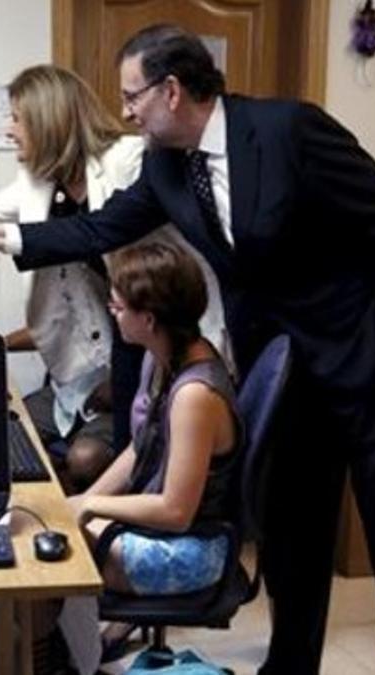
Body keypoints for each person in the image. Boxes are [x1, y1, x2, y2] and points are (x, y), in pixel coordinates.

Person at [0, 24, 375, 675]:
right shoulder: (166, 167)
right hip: (288, 374)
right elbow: (99, 226)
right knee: (293, 542)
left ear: (171, 90)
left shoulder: (289, 131)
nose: (123, 112)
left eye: (132, 96)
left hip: (365, 362)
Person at [0, 64, 224, 492]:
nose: (9, 129)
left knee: (117, 459)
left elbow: (103, 236)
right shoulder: (41, 183)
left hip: (163, 335)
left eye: (17, 118)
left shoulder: (129, 162)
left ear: (48, 120)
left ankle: (102, 533)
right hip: (99, 358)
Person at [69, 241, 240, 661]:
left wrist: (92, 506)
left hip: (197, 547)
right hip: (169, 528)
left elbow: (176, 512)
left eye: (118, 307)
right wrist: (73, 504)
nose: (112, 310)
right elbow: (137, 450)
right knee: (57, 526)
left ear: (148, 320)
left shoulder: (195, 395)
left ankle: (65, 657)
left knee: (58, 557)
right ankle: (71, 653)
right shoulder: (162, 356)